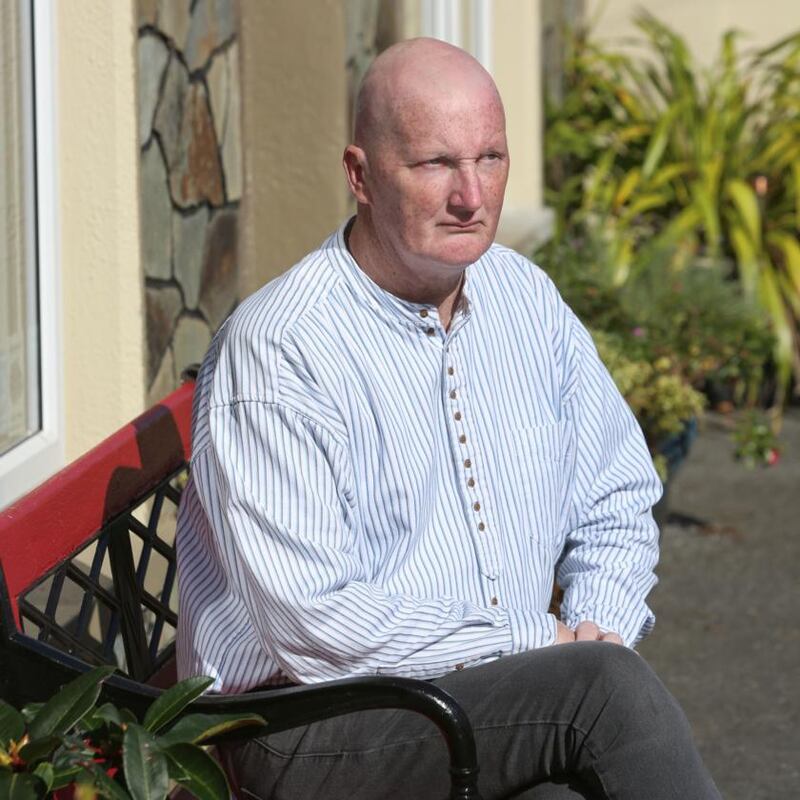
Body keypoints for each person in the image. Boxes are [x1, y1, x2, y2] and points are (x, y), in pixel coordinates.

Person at [176, 37, 721, 800]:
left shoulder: (522, 297)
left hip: (483, 698)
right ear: (360, 175)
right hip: (299, 723)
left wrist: (599, 620)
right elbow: (315, 624)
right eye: (436, 164)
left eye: (490, 158)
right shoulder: (281, 349)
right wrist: (550, 647)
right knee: (603, 695)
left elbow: (616, 493)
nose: (472, 194)